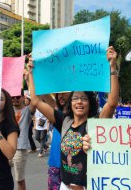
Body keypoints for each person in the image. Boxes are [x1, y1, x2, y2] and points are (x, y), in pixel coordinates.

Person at [27, 46, 119, 189]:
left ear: (91, 103)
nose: (79, 102)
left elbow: (112, 103)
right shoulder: (64, 121)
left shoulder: (96, 123)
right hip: (65, 185)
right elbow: (36, 101)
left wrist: (112, 67)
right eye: (75, 98)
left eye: (84, 99)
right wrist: (32, 74)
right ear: (70, 103)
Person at [11, 90, 35, 190]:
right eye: (13, 97)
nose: (15, 99)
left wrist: (30, 78)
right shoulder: (7, 110)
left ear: (23, 97)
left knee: (19, 179)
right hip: (6, 147)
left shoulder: (27, 110)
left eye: (17, 97)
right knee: (2, 177)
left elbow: (35, 101)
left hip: (19, 149)